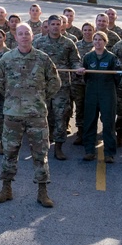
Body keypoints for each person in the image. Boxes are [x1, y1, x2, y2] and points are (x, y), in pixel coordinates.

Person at [0, 23, 60, 208]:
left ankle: (42, 192)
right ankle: (6, 188)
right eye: (20, 34)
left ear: (33, 35)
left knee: (40, 153)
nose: (24, 36)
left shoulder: (43, 58)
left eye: (27, 33)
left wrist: (39, 98)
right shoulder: (6, 58)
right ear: (15, 37)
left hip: (36, 114)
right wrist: (12, 96)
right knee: (9, 152)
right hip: (12, 113)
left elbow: (55, 82)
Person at [31, 15, 82, 160]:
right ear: (48, 26)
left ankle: (58, 148)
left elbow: (75, 61)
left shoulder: (69, 43)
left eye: (57, 24)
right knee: (44, 117)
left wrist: (78, 69)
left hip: (62, 87)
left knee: (61, 117)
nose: (55, 26)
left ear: (62, 26)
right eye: (52, 24)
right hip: (43, 87)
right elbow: (31, 60)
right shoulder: (38, 42)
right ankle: (44, 145)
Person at [76, 31, 120, 162]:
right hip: (91, 93)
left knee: (108, 123)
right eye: (95, 39)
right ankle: (89, 150)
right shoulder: (88, 57)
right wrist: (80, 73)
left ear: (105, 42)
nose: (97, 42)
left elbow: (118, 77)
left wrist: (109, 88)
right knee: (89, 122)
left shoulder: (112, 57)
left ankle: (109, 153)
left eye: (100, 39)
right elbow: (83, 75)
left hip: (107, 93)